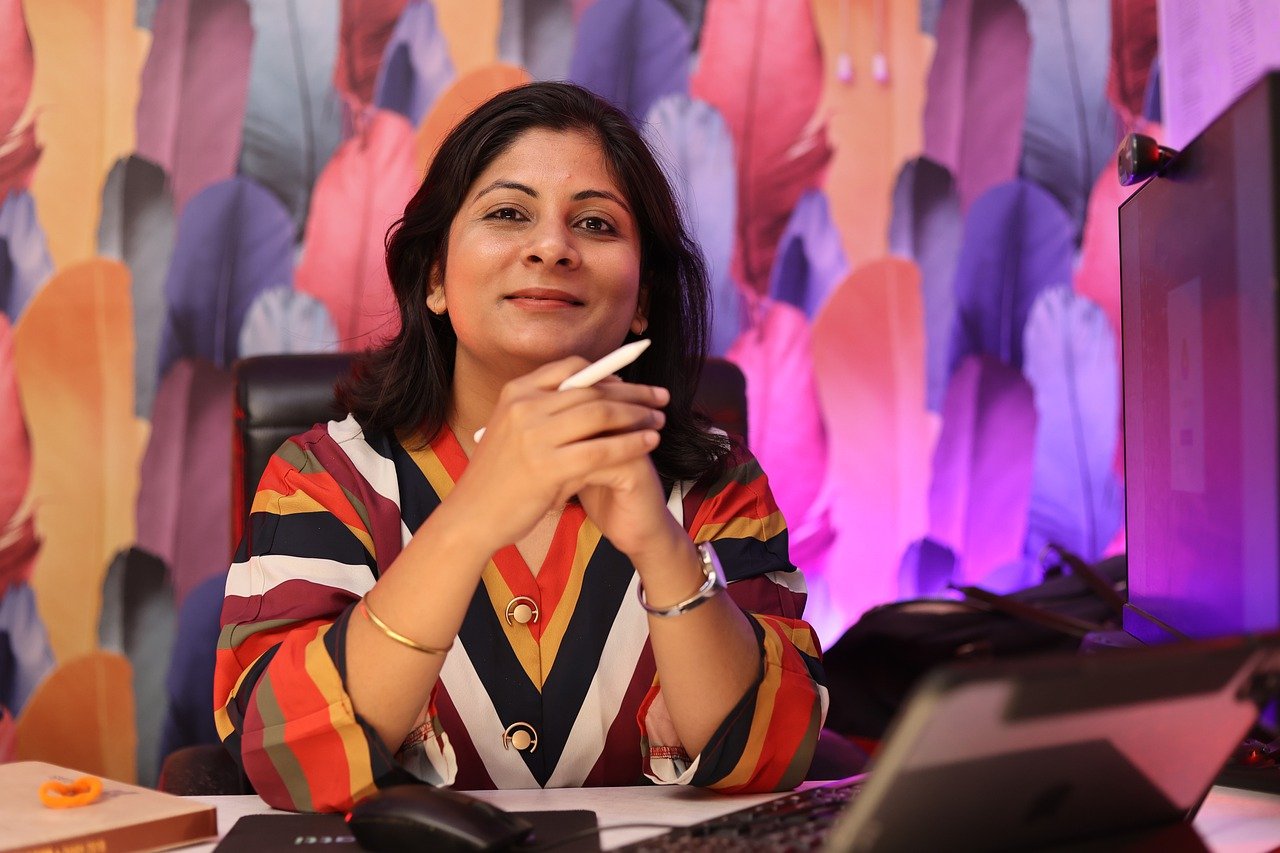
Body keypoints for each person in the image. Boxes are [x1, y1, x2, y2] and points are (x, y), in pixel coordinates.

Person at [213, 82, 826, 813]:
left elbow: (773, 755)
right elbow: (285, 755)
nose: (552, 247)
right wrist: (472, 517)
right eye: (508, 213)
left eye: (595, 223)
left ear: (642, 301)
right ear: (435, 278)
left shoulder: (721, 481)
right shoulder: (323, 479)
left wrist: (663, 549)